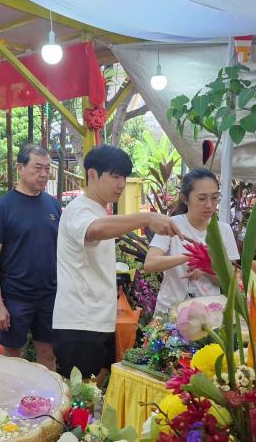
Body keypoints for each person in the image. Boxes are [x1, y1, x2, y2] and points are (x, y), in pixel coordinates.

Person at [53, 145, 181, 380]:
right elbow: (94, 230)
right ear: (92, 174)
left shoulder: (99, 211)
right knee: (78, 401)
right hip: (80, 322)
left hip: (98, 320)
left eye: (124, 176)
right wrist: (147, 217)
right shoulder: (78, 209)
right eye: (115, 176)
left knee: (91, 398)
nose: (122, 183)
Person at [0, 144, 60, 369]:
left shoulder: (53, 205)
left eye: (47, 169)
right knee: (12, 355)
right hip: (15, 296)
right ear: (20, 167)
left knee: (47, 353)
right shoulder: (2, 208)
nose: (44, 174)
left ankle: (48, 403)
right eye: (37, 168)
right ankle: (10, 401)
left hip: (49, 294)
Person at [144, 168, 240, 313]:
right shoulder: (171, 225)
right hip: (171, 313)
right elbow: (150, 264)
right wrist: (191, 255)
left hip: (209, 314)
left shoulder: (224, 231)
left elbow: (231, 280)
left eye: (214, 198)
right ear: (184, 198)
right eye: (201, 198)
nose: (209, 205)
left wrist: (205, 270)